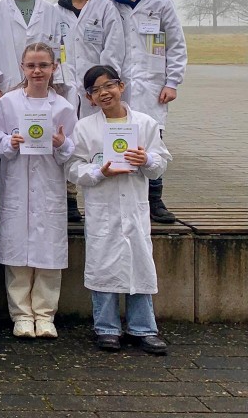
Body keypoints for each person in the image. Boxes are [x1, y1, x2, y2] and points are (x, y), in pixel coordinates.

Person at [67, 65, 171, 355]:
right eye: (95, 90)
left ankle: (143, 328)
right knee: (103, 264)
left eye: (108, 86)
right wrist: (99, 172)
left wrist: (145, 159)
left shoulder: (145, 123)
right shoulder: (85, 128)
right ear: (89, 98)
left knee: (140, 264)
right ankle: (106, 327)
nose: (104, 93)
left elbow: (160, 164)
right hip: (103, 207)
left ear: (121, 86)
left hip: (134, 207)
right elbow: (73, 168)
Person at [0, 42, 77, 339]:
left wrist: (61, 144)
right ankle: (22, 315)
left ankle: (45, 314)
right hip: (18, 186)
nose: (37, 71)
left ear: (54, 68)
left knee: (48, 253)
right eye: (31, 65)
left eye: (43, 65)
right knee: (17, 254)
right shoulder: (7, 103)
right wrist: (8, 143)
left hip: (49, 187)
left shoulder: (63, 107)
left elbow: (74, 150)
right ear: (22, 68)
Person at [107, 0, 187, 224]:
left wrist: (172, 82)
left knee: (153, 141)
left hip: (152, 88)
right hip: (117, 88)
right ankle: (117, 198)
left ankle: (155, 199)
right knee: (115, 139)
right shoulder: (106, 4)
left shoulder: (162, 3)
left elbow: (176, 45)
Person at [56, 0, 125, 114]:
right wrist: (56, 81)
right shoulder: (55, 12)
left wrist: (103, 87)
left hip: (95, 90)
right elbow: (51, 50)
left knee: (96, 128)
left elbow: (113, 50)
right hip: (63, 87)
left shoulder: (106, 9)